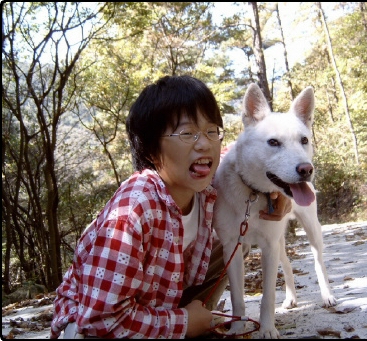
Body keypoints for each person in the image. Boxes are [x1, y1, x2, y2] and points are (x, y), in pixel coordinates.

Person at [50, 75, 291, 339]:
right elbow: (97, 321)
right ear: (152, 151)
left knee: (232, 243)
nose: (204, 144)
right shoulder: (132, 212)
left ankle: (188, 321)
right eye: (187, 133)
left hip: (158, 301)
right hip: (91, 326)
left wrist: (279, 189)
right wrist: (184, 323)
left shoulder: (204, 184)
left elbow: (250, 152)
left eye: (212, 131)